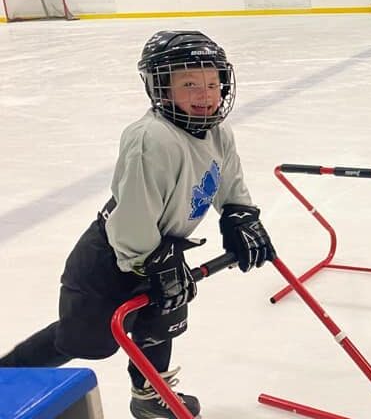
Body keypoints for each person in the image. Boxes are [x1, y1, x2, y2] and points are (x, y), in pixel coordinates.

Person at [0, 30, 278, 418]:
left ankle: (148, 394)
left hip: (159, 249)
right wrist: (152, 260)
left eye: (213, 83)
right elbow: (131, 218)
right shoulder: (152, 139)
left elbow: (229, 182)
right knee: (82, 340)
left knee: (164, 319)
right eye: (189, 85)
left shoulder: (217, 131)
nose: (205, 94)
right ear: (162, 88)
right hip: (111, 258)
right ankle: (8, 375)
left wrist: (239, 215)